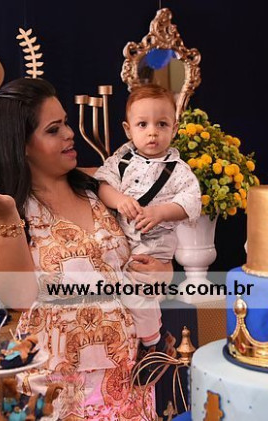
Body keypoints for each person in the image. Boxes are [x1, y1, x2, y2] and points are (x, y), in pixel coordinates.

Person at [0, 78, 172, 420]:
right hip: (56, 387)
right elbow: (19, 298)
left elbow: (149, 252)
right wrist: (7, 218)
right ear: (22, 144)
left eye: (66, 123)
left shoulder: (101, 186)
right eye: (54, 130)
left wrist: (163, 271)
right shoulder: (5, 210)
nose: (70, 134)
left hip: (128, 377)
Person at [94, 84, 201, 347]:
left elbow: (191, 202)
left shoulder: (178, 169)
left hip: (154, 247)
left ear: (174, 129)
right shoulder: (120, 162)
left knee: (140, 287)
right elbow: (102, 186)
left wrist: (161, 212)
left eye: (162, 124)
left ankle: (152, 339)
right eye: (142, 125)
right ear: (128, 129)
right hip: (123, 241)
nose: (152, 132)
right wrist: (120, 200)